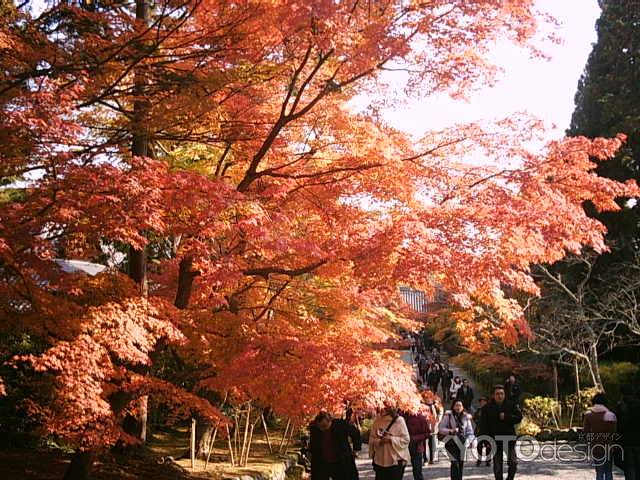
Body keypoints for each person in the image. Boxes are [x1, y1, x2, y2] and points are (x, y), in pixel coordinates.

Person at [481, 385, 522, 480]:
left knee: (513, 463)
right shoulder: (487, 408)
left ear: (505, 394)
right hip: (494, 441)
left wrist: (507, 417)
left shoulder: (511, 405)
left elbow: (519, 418)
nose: (500, 396)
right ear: (493, 395)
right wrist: (486, 442)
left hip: (509, 439)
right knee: (497, 467)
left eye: (502, 394)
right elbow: (483, 426)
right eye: (497, 394)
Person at [309, 411, 362, 480]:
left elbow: (355, 433)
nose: (323, 429)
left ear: (330, 421)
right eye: (320, 427)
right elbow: (313, 448)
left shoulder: (340, 424)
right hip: (323, 463)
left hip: (341, 462)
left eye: (324, 426)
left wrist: (356, 449)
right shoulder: (315, 429)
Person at [369, 401, 411, 480]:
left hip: (395, 461)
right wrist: (379, 441)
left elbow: (406, 439)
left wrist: (391, 439)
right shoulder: (377, 421)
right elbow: (371, 439)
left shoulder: (399, 421)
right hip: (380, 461)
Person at [584, 393, 618, 480]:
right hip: (608, 446)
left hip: (596, 446)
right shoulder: (610, 415)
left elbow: (586, 432)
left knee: (599, 472)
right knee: (608, 471)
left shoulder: (588, 415)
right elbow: (613, 433)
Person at [438, 400, 475, 480]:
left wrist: (470, 441)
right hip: (451, 443)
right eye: (456, 405)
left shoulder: (466, 417)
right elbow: (441, 428)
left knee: (460, 464)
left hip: (462, 443)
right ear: (453, 406)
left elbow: (470, 431)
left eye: (460, 405)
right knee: (455, 463)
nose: (458, 407)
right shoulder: (448, 416)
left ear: (462, 407)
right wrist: (450, 431)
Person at [616, 385, 640, 480]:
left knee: (629, 467)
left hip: (626, 442)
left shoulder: (621, 407)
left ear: (622, 394)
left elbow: (617, 426)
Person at [404, 410, 431, 480]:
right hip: (402, 447)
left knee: (417, 471)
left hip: (416, 447)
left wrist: (415, 438)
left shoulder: (420, 418)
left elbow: (427, 433)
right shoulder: (401, 416)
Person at [473, 397, 491, 467]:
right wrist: (477, 422)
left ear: (486, 402)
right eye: (481, 402)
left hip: (488, 431)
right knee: (479, 446)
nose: (482, 403)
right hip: (480, 431)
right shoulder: (478, 410)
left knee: (488, 446)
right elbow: (474, 418)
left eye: (484, 401)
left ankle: (488, 460)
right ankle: (479, 460)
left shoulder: (489, 410)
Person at [424, 398, 441, 465]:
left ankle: (431, 458)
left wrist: (437, 421)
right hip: (424, 427)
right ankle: (425, 458)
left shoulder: (435, 406)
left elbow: (440, 412)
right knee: (424, 444)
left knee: (431, 444)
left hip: (432, 427)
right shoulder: (422, 407)